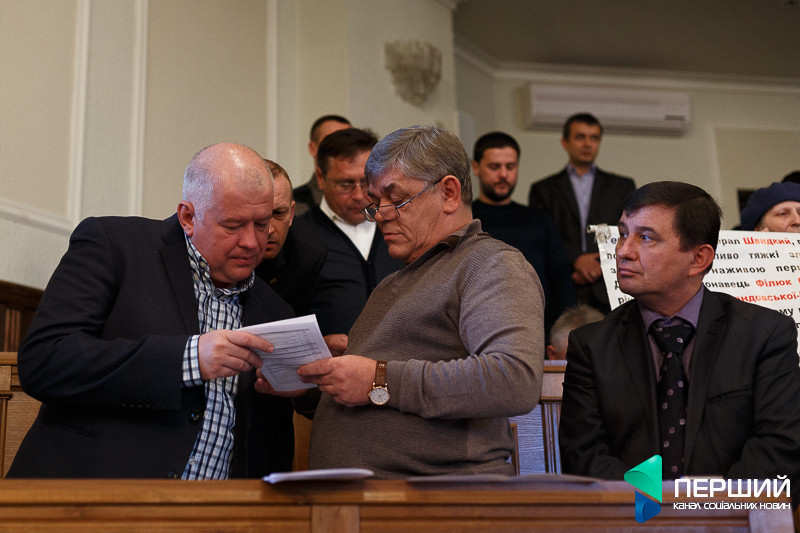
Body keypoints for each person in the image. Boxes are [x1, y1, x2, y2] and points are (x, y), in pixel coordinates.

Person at [8, 143, 297, 479]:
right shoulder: (115, 245)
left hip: (214, 507)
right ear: (188, 217)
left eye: (262, 224)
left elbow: (269, 448)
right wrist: (189, 359)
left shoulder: (277, 310)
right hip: (87, 495)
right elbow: (44, 361)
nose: (251, 241)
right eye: (233, 226)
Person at [297, 125, 545, 478]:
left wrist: (378, 378)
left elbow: (513, 379)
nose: (380, 215)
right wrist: (309, 384)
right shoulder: (392, 282)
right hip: (365, 498)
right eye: (375, 203)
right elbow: (372, 400)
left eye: (396, 200)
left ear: (448, 193)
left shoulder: (490, 264)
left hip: (438, 497)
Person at [559, 181, 800, 504]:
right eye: (622, 234)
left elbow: (781, 449)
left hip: (736, 519)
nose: (623, 251)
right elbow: (583, 455)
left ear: (699, 258)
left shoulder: (765, 334)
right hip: (633, 519)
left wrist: (706, 510)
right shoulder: (591, 345)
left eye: (646, 238)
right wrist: (660, 510)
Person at [293, 127, 403, 336]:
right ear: (320, 178)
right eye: (345, 184)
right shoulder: (298, 236)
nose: (359, 195)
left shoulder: (400, 228)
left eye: (366, 182)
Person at [528, 113, 635, 313]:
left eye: (593, 138)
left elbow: (628, 233)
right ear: (565, 142)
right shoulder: (543, 189)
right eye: (580, 137)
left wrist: (597, 264)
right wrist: (577, 259)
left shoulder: (622, 186)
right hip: (562, 283)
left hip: (609, 286)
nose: (587, 143)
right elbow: (543, 236)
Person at [471, 131, 575, 336]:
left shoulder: (539, 219)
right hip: (478, 327)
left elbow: (561, 278)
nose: (503, 174)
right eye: (494, 167)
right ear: (476, 167)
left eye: (510, 166)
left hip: (538, 329)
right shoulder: (465, 219)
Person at [254, 159, 327, 314]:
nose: (269, 230)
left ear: (291, 213)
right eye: (259, 217)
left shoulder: (307, 255)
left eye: (279, 213)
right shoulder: (217, 250)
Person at [293, 114, 352, 215]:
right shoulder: (292, 204)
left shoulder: (369, 200)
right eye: (332, 142)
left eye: (349, 143)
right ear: (313, 148)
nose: (342, 148)